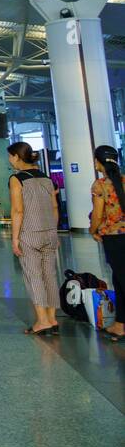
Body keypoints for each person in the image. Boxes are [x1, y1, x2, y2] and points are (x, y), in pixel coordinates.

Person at [7, 142, 60, 336]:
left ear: (16, 157)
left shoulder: (16, 179)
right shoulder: (46, 178)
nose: (9, 160)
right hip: (49, 232)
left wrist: (15, 238)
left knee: (34, 276)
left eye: (10, 156)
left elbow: (18, 210)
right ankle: (53, 319)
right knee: (50, 276)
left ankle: (42, 321)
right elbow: (55, 207)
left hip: (30, 233)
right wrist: (53, 231)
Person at [89, 145, 125, 342]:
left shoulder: (100, 185)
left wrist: (92, 230)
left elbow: (97, 214)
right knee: (119, 280)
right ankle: (120, 324)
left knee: (122, 279)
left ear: (99, 162)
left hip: (114, 238)